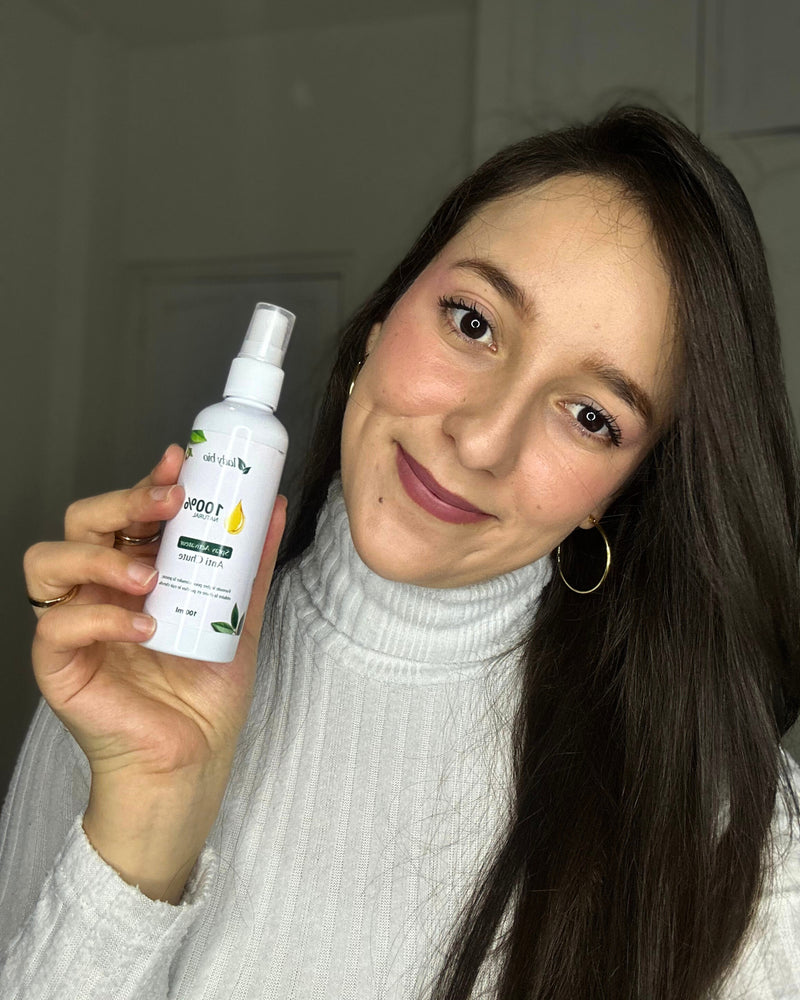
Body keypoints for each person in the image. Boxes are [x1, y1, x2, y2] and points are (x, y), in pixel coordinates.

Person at [1, 104, 799, 999]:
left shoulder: (740, 840)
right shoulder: (130, 671)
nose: (482, 439)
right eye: (473, 322)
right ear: (383, 321)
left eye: (590, 416)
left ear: (616, 495)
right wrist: (148, 819)